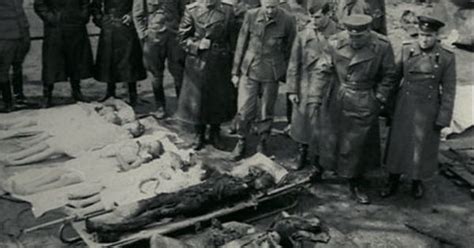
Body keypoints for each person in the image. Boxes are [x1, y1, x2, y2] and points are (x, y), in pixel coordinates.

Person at [315, 14, 396, 204]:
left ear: (368, 32)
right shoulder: (335, 42)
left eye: (359, 38)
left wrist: (378, 98)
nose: (355, 41)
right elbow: (323, 69)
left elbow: (390, 75)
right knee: (329, 137)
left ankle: (356, 181)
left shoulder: (382, 46)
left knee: (358, 145)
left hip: (364, 97)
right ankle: (321, 168)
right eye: (352, 37)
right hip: (338, 95)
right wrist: (315, 96)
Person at [381, 16, 456, 199]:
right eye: (422, 35)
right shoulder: (407, 49)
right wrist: (385, 103)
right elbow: (393, 78)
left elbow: (449, 90)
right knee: (398, 144)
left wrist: (443, 118)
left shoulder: (446, 57)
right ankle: (393, 179)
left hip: (428, 108)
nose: (424, 39)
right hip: (404, 105)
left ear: (436, 36)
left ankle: (416, 181)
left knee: (422, 147)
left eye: (429, 36)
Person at [231, 0, 296, 160]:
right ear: (261, 4)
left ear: (278, 5)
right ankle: (241, 140)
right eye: (267, 7)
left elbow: (291, 48)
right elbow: (241, 43)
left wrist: (287, 73)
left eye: (273, 7)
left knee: (266, 110)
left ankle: (263, 141)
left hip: (271, 71)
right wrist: (235, 71)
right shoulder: (251, 15)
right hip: (250, 68)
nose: (269, 11)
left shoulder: (287, 19)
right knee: (245, 109)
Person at [175, 0, 237, 150]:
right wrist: (197, 45)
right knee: (199, 100)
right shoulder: (192, 10)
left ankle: (215, 133)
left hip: (221, 61)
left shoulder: (228, 10)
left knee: (218, 99)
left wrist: (232, 59)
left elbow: (234, 38)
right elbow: (182, 38)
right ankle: (199, 134)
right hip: (198, 63)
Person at [286, 0, 340, 170]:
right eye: (311, 18)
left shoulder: (339, 34)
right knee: (302, 122)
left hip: (329, 86)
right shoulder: (303, 35)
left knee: (325, 124)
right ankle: (302, 152)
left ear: (328, 14)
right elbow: (294, 63)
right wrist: (292, 89)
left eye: (318, 17)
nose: (314, 22)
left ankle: (320, 160)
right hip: (305, 84)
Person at [133, 0, 188, 118]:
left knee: (178, 71)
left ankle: (181, 106)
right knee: (155, 73)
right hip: (153, 37)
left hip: (174, 37)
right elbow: (137, 14)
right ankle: (160, 107)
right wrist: (143, 35)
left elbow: (184, 11)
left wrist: (182, 31)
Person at [34, 0, 94, 107]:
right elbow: (39, 4)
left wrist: (83, 16)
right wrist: (52, 18)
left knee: (76, 60)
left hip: (76, 27)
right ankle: (47, 94)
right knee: (51, 62)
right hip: (55, 29)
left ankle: (76, 91)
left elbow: (85, 3)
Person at [90, 0, 147, 107]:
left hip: (127, 26)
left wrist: (131, 15)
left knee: (130, 62)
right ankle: (110, 93)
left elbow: (141, 4)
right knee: (109, 60)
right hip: (109, 27)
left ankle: (133, 95)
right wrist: (101, 20)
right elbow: (95, 6)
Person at [0, 0, 30, 112]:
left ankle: (19, 97)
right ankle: (7, 102)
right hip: (4, 35)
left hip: (21, 32)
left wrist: (25, 31)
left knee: (18, 65)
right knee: (3, 69)